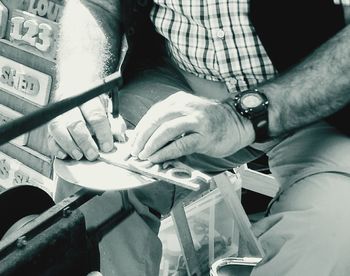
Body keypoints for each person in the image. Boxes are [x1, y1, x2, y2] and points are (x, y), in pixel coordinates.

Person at [48, 0, 350, 275]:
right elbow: (97, 5)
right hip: (181, 82)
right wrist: (79, 87)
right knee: (88, 177)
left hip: (314, 93)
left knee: (332, 226)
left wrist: (240, 116)